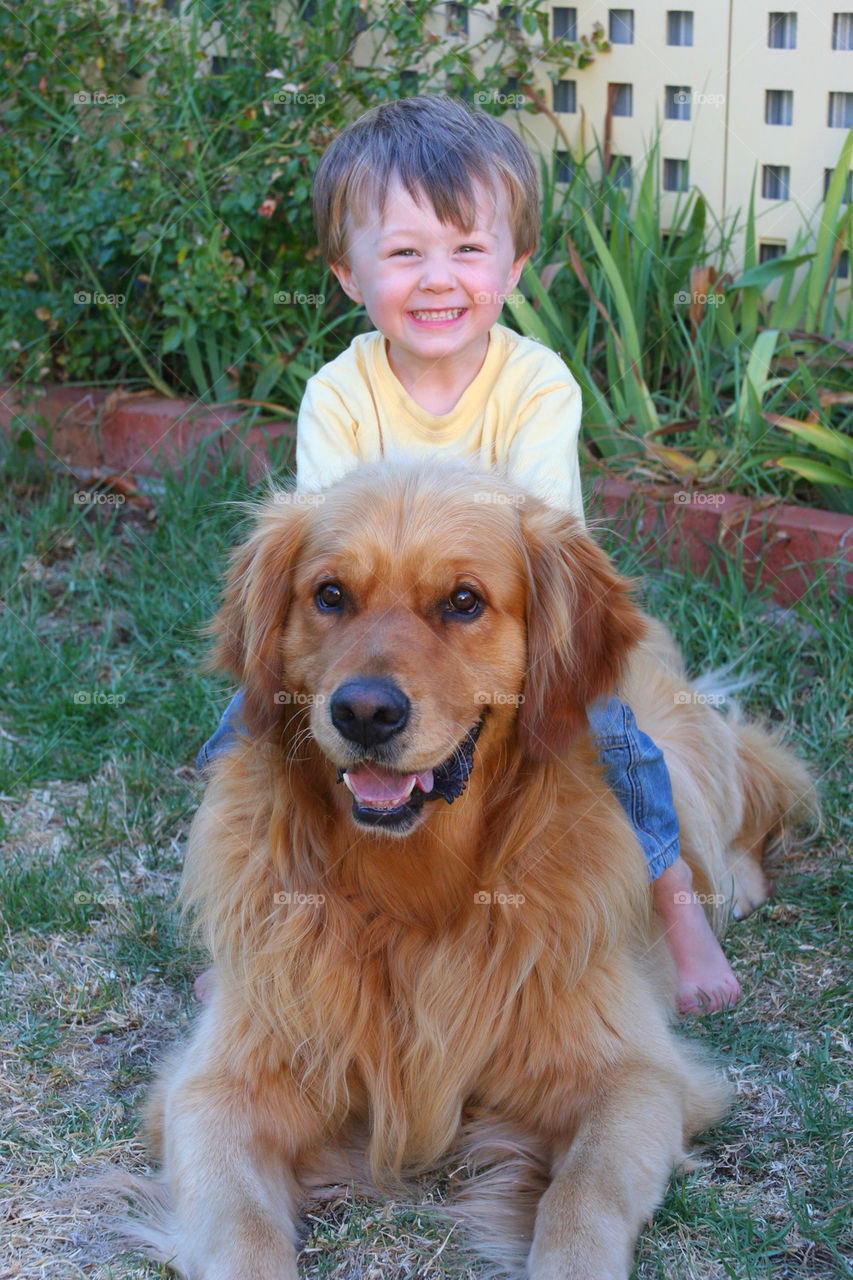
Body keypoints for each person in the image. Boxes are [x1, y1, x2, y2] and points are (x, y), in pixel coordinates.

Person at [199, 95, 740, 1015]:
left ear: (516, 263)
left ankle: (675, 902)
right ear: (346, 272)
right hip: (368, 636)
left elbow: (539, 543)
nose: (437, 278)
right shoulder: (337, 393)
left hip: (496, 636)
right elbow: (328, 556)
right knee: (241, 734)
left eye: (467, 249)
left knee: (616, 740)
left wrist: (455, 586)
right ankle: (246, 926)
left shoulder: (536, 386)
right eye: (404, 253)